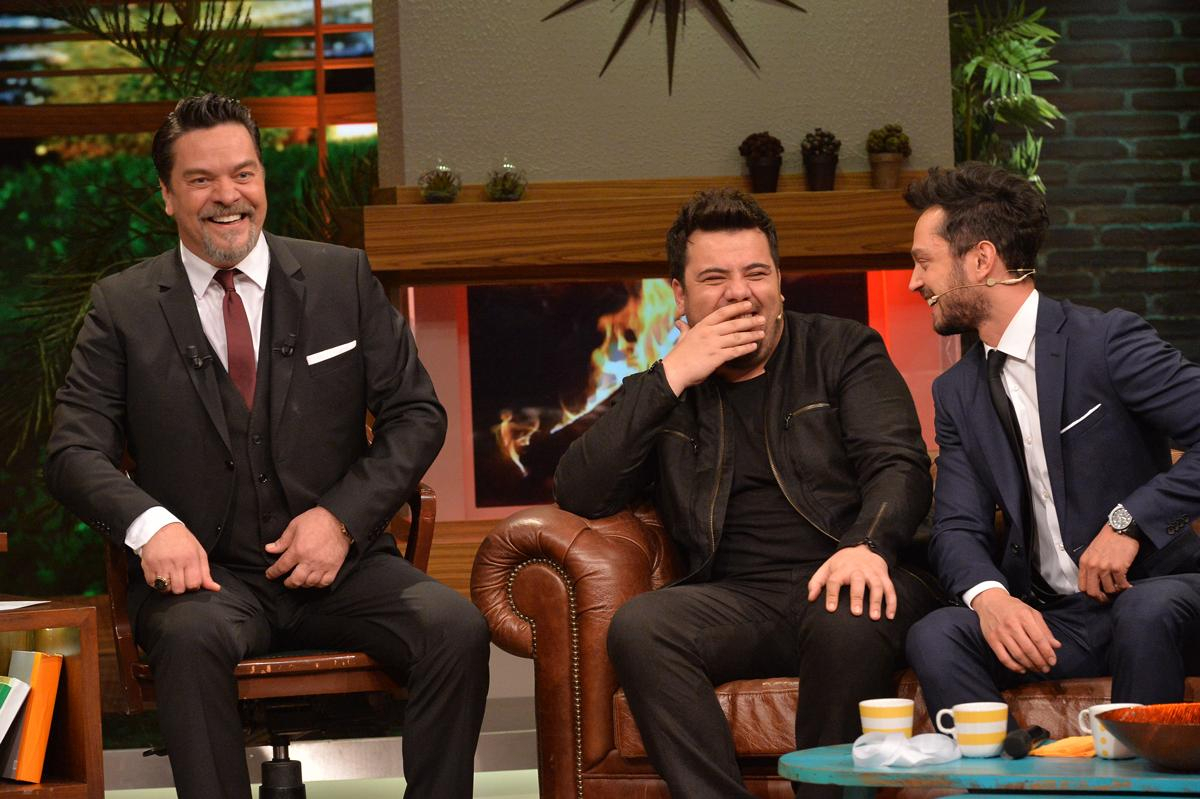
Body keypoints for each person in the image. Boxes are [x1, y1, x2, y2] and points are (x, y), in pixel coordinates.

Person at [44, 94, 489, 799]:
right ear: (167, 195)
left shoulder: (342, 278)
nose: (228, 196)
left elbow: (416, 414)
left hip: (345, 570)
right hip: (208, 583)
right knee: (189, 640)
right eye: (201, 179)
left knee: (454, 628)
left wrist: (341, 518)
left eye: (243, 174)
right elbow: (72, 452)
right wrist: (152, 527)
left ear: (262, 179)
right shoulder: (122, 307)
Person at [554, 188, 943, 798]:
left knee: (845, 613)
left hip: (861, 571)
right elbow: (579, 489)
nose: (740, 293)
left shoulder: (843, 349)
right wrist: (672, 375)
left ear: (779, 283)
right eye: (715, 279)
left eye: (757, 273)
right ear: (679, 295)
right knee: (641, 626)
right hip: (744, 599)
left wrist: (867, 544)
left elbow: (899, 463)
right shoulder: (667, 390)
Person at [903, 162, 1200, 723]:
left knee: (1146, 609)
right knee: (938, 632)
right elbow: (958, 526)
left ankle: (1139, 772)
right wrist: (991, 598)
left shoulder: (1106, 341)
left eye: (924, 262)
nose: (914, 283)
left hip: (1161, 594)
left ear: (981, 260)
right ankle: (1009, 766)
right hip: (1060, 618)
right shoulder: (957, 392)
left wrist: (1129, 523)